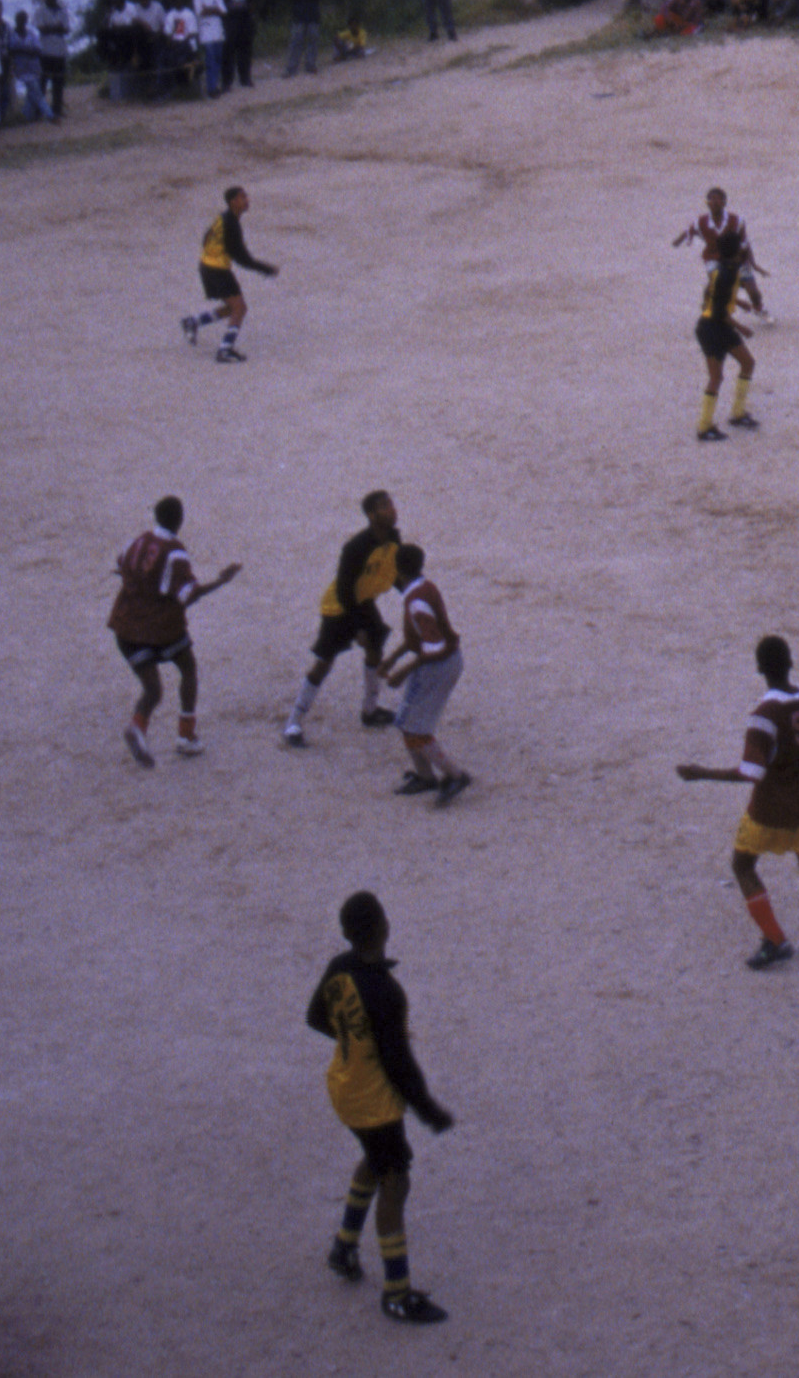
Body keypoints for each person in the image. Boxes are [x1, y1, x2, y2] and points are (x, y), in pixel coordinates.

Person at [302, 890, 458, 1324]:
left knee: (372, 1159)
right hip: (374, 1104)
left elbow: (315, 1018)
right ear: (383, 928)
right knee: (396, 1182)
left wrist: (353, 1043)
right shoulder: (387, 994)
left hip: (343, 1087)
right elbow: (399, 1067)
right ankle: (396, 1292)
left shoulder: (339, 969)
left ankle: (343, 1247)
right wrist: (430, 1111)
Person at [671, 631, 799, 969]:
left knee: (743, 865)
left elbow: (750, 772)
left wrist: (701, 773)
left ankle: (775, 940)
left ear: (760, 669)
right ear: (791, 662)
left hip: (769, 808)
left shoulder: (762, 715)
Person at [111, 497, 241, 764]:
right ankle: (186, 737)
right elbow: (189, 595)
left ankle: (138, 726)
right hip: (162, 628)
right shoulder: (175, 553)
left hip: (125, 627)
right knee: (188, 669)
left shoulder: (136, 542)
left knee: (153, 690)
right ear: (179, 521)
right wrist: (220, 581)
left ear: (156, 517)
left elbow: (121, 568)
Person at [283, 490, 402, 748]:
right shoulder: (355, 547)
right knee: (324, 663)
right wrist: (358, 626)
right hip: (339, 608)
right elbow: (344, 591)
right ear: (371, 515)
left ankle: (370, 711)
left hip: (364, 601)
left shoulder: (394, 538)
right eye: (384, 506)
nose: (392, 509)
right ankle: (293, 722)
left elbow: (397, 573)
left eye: (391, 504)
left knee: (375, 650)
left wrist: (414, 594)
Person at [386, 544, 470, 806]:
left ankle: (455, 775)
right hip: (443, 663)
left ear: (397, 571)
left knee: (416, 729)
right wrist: (392, 659)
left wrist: (402, 670)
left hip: (437, 667)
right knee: (406, 721)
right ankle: (425, 775)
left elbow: (434, 646)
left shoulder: (415, 600)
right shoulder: (426, 588)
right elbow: (423, 637)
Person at [183, 184, 278, 362]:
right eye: (243, 197)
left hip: (207, 266)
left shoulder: (223, 218)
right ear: (233, 202)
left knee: (232, 308)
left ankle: (194, 322)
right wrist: (266, 269)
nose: (247, 200)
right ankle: (225, 349)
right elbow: (242, 258)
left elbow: (206, 237)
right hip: (217, 270)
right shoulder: (231, 225)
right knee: (240, 308)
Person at [689, 203, 758, 443]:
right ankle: (714, 423)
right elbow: (718, 310)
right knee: (743, 366)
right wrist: (741, 326)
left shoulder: (722, 269)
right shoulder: (730, 273)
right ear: (736, 251)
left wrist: (738, 302)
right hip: (716, 327)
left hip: (707, 326)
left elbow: (711, 293)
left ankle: (712, 422)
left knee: (724, 373)